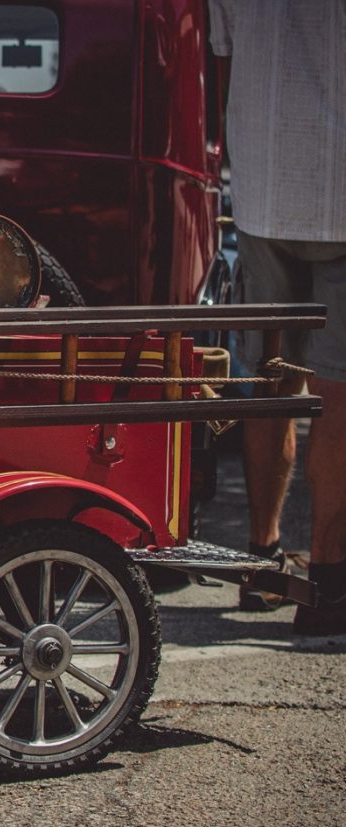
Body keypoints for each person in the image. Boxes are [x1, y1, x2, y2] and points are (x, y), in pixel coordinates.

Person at [209, 1, 346, 635]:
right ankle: (328, 582)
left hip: (263, 190)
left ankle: (262, 560)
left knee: (271, 387)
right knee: (338, 398)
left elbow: (223, 60)